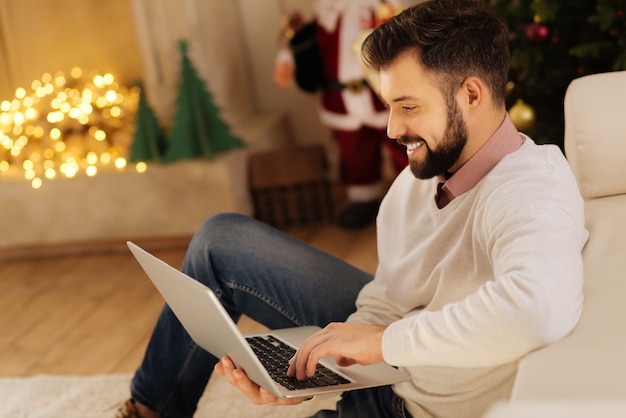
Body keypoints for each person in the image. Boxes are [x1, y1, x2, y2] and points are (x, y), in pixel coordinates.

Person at [116, 1, 588, 417]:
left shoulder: (530, 187)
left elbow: (536, 310)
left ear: (471, 95)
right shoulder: (417, 180)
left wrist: (383, 342)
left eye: (407, 107)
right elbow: (388, 297)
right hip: (392, 376)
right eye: (388, 106)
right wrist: (310, 369)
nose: (390, 128)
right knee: (220, 242)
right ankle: (147, 412)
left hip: (417, 405)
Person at [273, 0, 409, 229]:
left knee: (402, 146)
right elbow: (304, 40)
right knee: (353, 151)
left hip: (381, 96)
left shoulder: (385, 8)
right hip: (340, 99)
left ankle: (414, 196)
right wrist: (287, 60)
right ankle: (364, 198)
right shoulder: (327, 13)